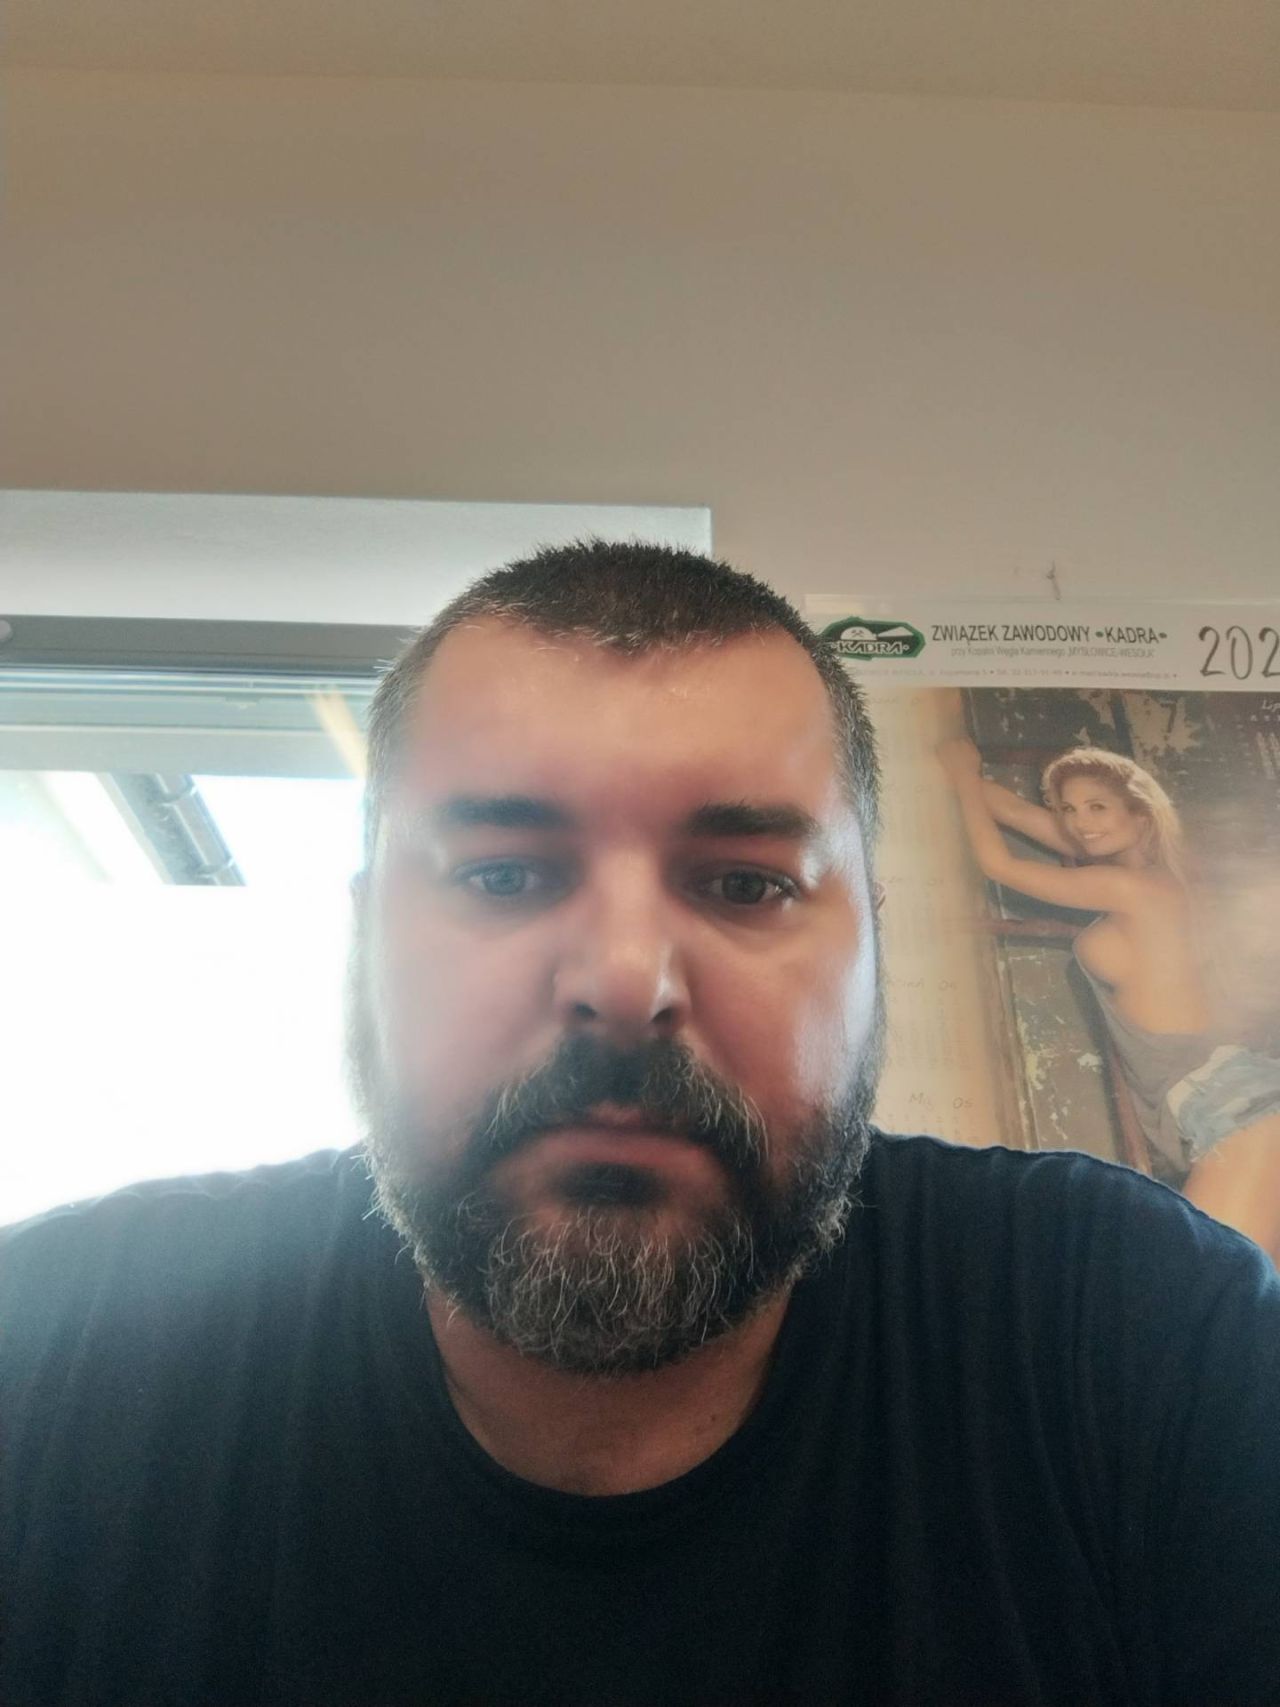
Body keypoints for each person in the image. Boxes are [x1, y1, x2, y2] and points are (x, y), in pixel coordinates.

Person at [2, 542, 1278, 1707]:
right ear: (362, 938)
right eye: (503, 874)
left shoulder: (1142, 1339)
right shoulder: (54, 1354)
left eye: (745, 884)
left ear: (872, 952)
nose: (624, 981)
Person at [938, 736, 1280, 1260]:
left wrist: (962, 775)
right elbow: (1017, 813)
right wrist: (957, 770)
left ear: (1141, 815)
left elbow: (1000, 866)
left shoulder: (1128, 888)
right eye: (1068, 809)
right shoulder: (1161, 875)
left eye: (1097, 807)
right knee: (1242, 1296)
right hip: (1230, 1097)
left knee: (1199, 1292)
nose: (1079, 821)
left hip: (1232, 1104)